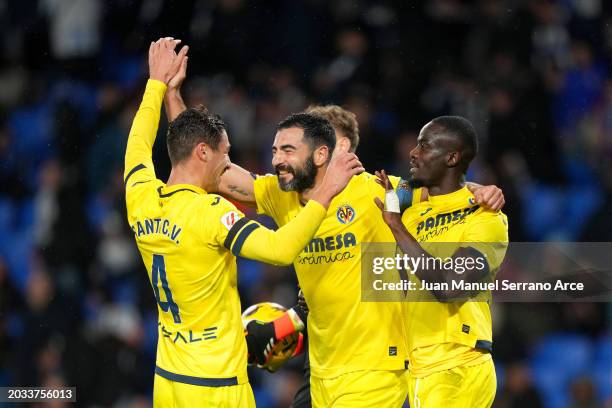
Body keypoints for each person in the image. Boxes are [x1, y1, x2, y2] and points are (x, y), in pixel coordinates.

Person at [163, 60, 505, 407]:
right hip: (321, 368)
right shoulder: (281, 195)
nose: (278, 160)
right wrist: (172, 96)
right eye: (275, 151)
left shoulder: (375, 191)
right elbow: (205, 165)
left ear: (324, 151)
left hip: (377, 370)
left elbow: (443, 189)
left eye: (288, 151)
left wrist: (483, 190)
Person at [124, 38, 363, 407]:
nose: (229, 161)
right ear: (205, 152)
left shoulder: (139, 193)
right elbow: (281, 250)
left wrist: (159, 87)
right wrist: (326, 192)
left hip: (168, 379)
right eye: (226, 152)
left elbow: (140, 141)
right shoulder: (212, 213)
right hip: (215, 384)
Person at [375, 116, 509, 407]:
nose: (413, 152)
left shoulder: (485, 217)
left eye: (424, 146)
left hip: (456, 364)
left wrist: (396, 227)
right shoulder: (410, 211)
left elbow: (450, 287)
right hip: (420, 365)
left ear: (451, 157)